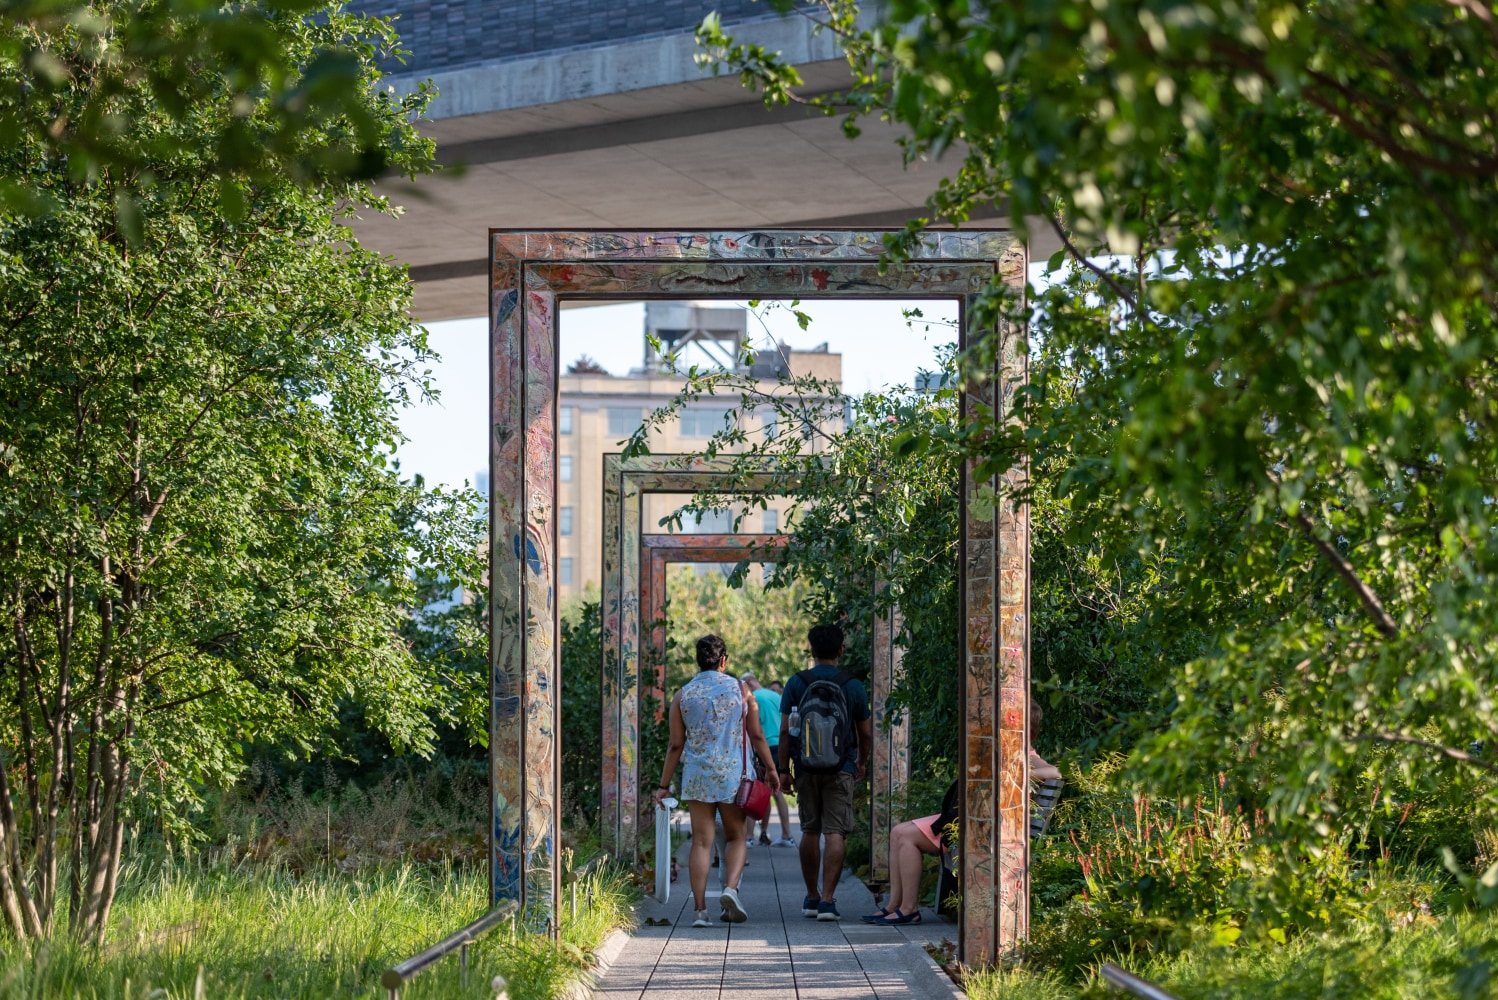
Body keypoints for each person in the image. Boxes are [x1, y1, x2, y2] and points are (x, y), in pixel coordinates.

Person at [862, 701, 1063, 925]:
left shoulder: (1026, 755)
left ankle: (909, 908)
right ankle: (894, 905)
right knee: (898, 831)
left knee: (907, 837)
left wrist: (1014, 772)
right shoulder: (1006, 751)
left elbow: (1055, 772)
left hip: (985, 830)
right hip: (971, 820)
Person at [653, 635, 779, 928]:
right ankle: (730, 889)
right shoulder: (741, 690)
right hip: (734, 775)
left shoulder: (683, 694)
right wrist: (772, 769)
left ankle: (699, 911)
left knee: (701, 841)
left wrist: (663, 785)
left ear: (698, 661)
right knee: (736, 837)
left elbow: (675, 745)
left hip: (697, 775)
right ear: (724, 661)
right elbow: (757, 736)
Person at [778, 624, 872, 922]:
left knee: (809, 829)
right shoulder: (852, 685)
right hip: (841, 766)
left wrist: (784, 770)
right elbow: (865, 733)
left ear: (811, 650)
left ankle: (812, 897)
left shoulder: (796, 683)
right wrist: (860, 761)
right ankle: (829, 902)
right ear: (841, 650)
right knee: (835, 832)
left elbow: (784, 731)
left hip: (805, 767)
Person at [741, 672, 794, 847]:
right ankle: (786, 835)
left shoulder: (753, 698)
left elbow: (754, 730)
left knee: (756, 791)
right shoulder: (775, 696)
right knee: (776, 792)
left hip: (765, 748)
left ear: (748, 683)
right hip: (781, 745)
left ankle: (748, 837)